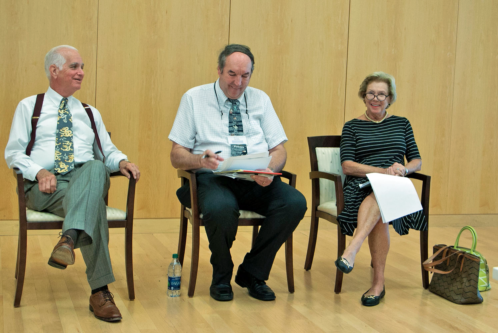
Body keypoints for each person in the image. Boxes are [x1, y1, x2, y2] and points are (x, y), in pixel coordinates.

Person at [5, 45, 140, 321]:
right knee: (93, 206)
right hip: (47, 188)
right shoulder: (29, 106)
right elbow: (14, 153)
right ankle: (100, 291)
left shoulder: (90, 112)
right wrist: (39, 172)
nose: (81, 73)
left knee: (95, 166)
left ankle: (68, 240)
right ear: (54, 71)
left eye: (82, 67)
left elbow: (108, 152)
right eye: (74, 67)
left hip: (84, 178)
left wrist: (123, 162)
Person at [169, 44, 307, 302]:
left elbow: (279, 150)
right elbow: (176, 155)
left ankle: (252, 273)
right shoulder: (194, 98)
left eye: (245, 75)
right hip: (212, 177)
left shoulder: (260, 99)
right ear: (219, 70)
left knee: (295, 202)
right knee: (221, 208)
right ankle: (221, 275)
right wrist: (200, 159)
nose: (238, 82)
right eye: (232, 74)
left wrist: (271, 168)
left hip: (253, 177)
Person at [335, 72, 426, 306]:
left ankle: (352, 250)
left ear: (389, 98)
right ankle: (378, 283)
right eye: (371, 93)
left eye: (381, 94)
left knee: (383, 195)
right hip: (361, 185)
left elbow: (416, 160)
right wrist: (380, 171)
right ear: (364, 96)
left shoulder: (402, 123)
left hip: (396, 185)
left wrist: (404, 170)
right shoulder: (352, 126)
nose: (375, 98)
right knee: (379, 204)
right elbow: (348, 165)